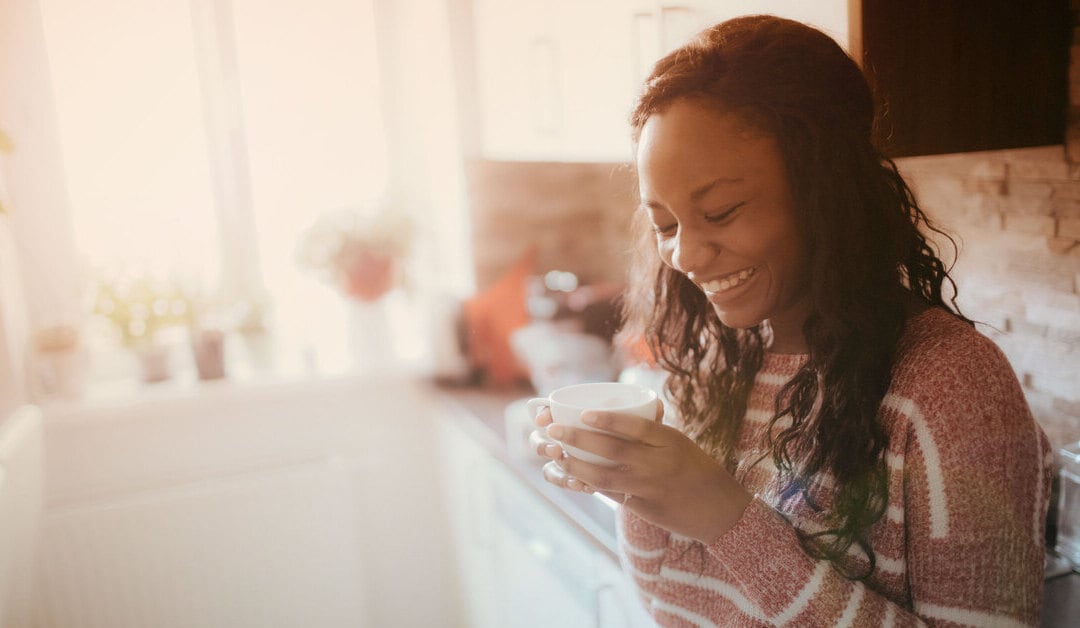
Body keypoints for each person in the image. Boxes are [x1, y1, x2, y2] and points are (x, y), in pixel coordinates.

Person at [529, 14, 1052, 627]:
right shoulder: (715, 355)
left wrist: (723, 517)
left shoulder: (949, 388)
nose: (686, 257)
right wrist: (633, 485)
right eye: (665, 224)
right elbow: (678, 607)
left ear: (825, 191)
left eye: (720, 212)